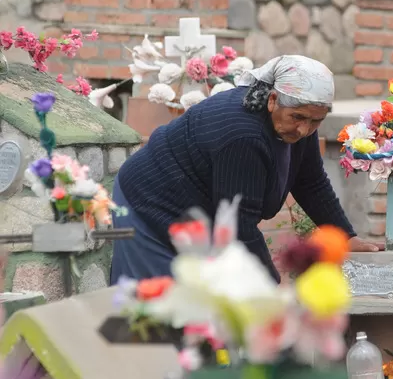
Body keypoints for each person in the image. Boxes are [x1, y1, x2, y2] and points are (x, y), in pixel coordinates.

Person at [110, 56, 378, 283]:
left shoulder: (298, 121)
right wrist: (269, 286)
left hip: (195, 212)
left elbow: (311, 182)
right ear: (273, 100)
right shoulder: (243, 134)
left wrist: (344, 236)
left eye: (315, 121)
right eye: (298, 118)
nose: (304, 129)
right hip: (149, 202)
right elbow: (239, 225)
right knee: (156, 309)